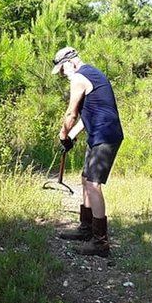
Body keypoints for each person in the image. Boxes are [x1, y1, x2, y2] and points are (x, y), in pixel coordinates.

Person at [52, 46, 123, 258]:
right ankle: (86, 229)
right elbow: (87, 116)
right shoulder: (92, 73)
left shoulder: (79, 78)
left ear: (69, 62)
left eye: (62, 70)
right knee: (85, 179)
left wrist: (63, 133)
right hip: (98, 134)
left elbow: (71, 113)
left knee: (93, 184)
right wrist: (71, 136)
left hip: (106, 135)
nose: (63, 75)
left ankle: (100, 243)